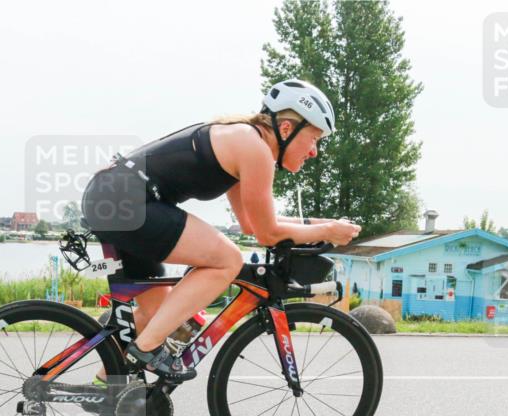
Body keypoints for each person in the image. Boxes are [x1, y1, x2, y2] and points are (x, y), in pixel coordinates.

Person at [82, 79, 361, 383]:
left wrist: (324, 226)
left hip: (113, 199)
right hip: (125, 203)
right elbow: (268, 235)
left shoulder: (246, 141)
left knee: (158, 314)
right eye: (314, 138)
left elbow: (253, 225)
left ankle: (104, 388)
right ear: (286, 130)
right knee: (228, 259)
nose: (314, 152)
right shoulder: (254, 149)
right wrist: (328, 231)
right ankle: (147, 351)